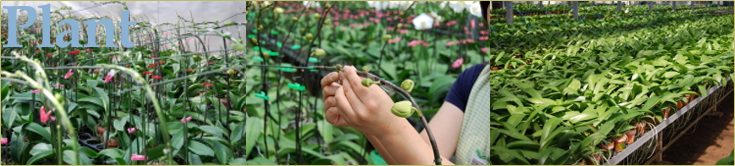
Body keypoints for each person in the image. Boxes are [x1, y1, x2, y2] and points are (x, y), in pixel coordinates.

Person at [320, 2, 491, 165]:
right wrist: (365, 117)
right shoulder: (474, 80)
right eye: (498, 2)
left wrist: (388, 125)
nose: (508, 8)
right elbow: (415, 157)